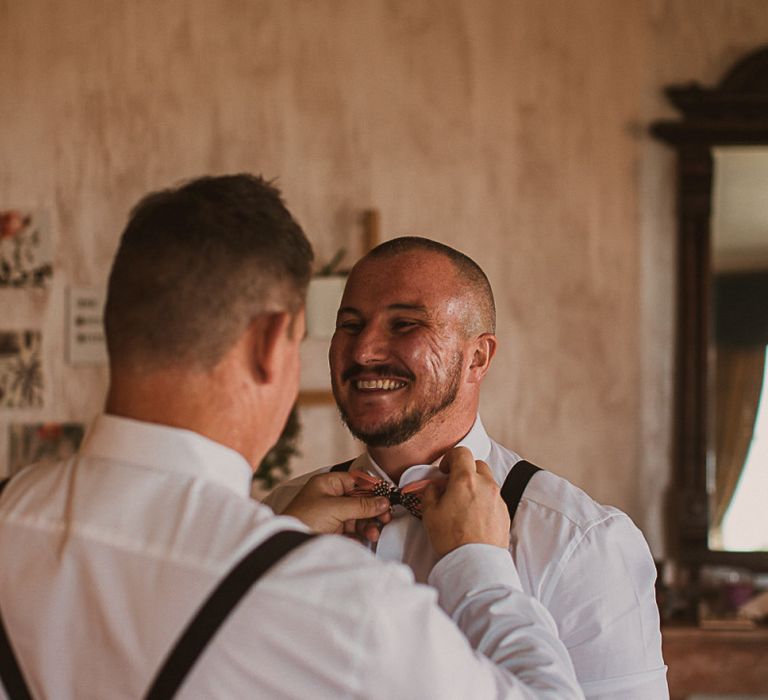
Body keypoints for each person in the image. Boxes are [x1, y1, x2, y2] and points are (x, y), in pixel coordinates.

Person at [0, 176, 583, 699]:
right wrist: (478, 564)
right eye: (337, 327)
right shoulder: (337, 604)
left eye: (404, 324)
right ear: (269, 341)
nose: (361, 351)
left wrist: (277, 538)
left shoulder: (12, 518)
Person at [265, 236, 669, 700]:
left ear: (478, 357)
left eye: (404, 325)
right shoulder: (280, 516)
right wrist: (272, 564)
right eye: (350, 325)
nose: (363, 351)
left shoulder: (582, 541)